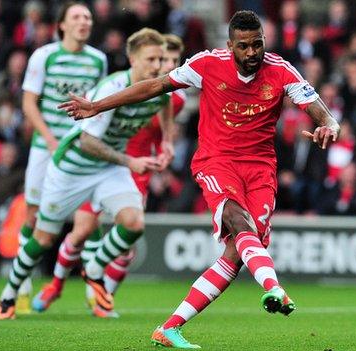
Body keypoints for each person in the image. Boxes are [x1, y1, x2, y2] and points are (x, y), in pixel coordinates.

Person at [59, 10, 340, 349]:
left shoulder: (280, 70)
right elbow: (155, 85)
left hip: (261, 169)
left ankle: (170, 328)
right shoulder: (206, 63)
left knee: (236, 255)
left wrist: (330, 125)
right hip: (216, 161)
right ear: (230, 45)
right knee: (240, 222)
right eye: (244, 46)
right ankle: (274, 288)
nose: (252, 53)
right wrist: (98, 106)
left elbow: (319, 109)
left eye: (257, 45)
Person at [0, 27, 173, 321]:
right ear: (132, 58)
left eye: (160, 59)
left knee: (134, 222)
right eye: (151, 59)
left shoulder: (157, 89)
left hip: (108, 169)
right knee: (43, 238)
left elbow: (166, 104)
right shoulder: (112, 88)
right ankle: (10, 293)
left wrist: (166, 143)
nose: (157, 66)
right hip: (72, 169)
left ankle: (93, 268)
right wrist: (130, 161)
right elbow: (88, 142)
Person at [12, 1, 107, 314]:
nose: (84, 22)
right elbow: (29, 103)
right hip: (46, 146)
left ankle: (96, 296)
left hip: (79, 149)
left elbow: (96, 107)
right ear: (62, 24)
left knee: (90, 217)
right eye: (77, 17)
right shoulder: (44, 55)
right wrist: (51, 139)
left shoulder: (98, 60)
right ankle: (21, 290)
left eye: (88, 17)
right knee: (33, 215)